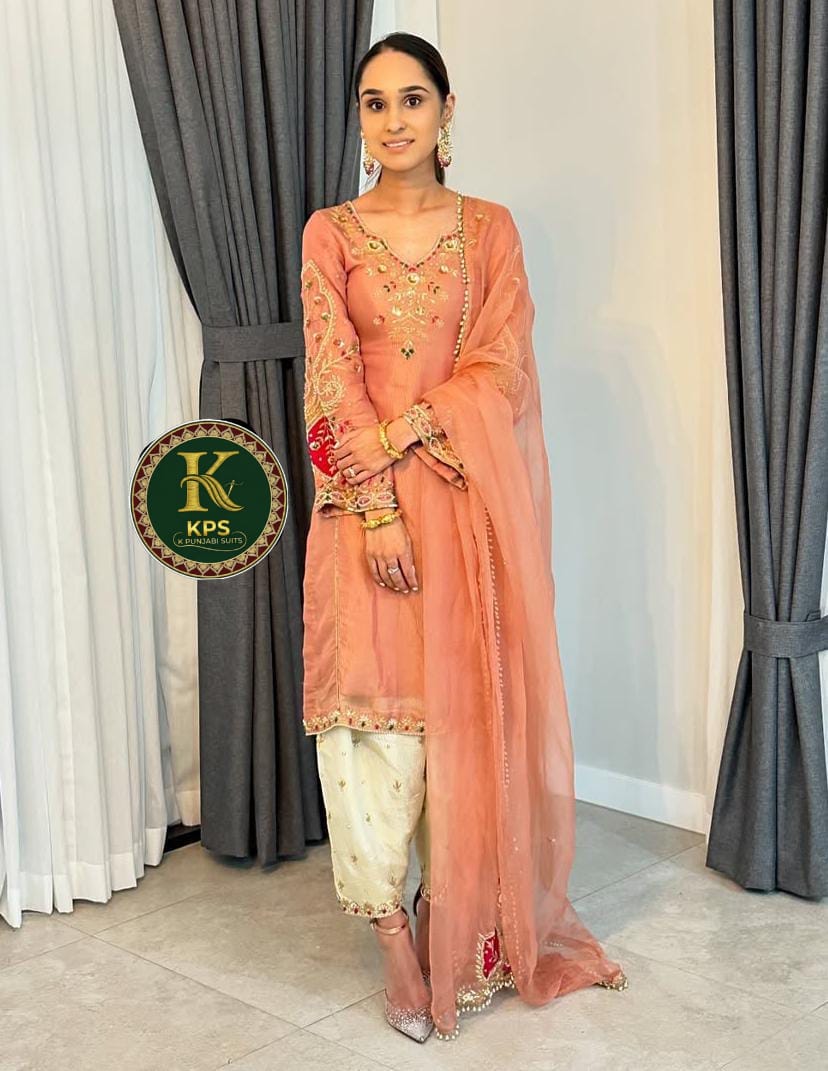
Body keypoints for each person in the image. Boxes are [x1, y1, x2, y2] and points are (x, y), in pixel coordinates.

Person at [299, 31, 628, 1043]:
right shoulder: (329, 232)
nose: (392, 118)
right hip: (361, 509)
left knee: (463, 721)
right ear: (360, 120)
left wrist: (405, 432)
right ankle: (395, 936)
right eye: (374, 102)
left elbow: (501, 369)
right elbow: (328, 376)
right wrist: (376, 505)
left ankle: (457, 912)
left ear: (447, 110)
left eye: (412, 98)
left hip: (461, 502)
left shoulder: (489, 230)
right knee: (368, 729)